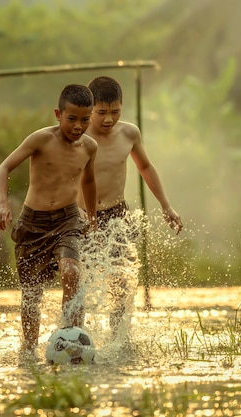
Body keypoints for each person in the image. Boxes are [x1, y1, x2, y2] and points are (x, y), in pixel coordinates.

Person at [0, 84, 98, 356]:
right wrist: (2, 202)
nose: (78, 126)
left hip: (68, 219)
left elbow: (88, 179)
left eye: (85, 119)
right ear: (57, 114)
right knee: (31, 296)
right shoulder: (40, 139)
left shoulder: (90, 147)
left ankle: (72, 339)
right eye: (71, 118)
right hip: (32, 223)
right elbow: (3, 168)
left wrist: (92, 215)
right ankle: (28, 352)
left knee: (71, 272)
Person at [79, 76, 183, 335]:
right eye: (101, 112)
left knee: (121, 280)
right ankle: (77, 333)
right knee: (79, 278)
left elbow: (145, 167)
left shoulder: (129, 133)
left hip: (116, 214)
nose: (108, 119)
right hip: (80, 215)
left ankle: (118, 336)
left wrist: (166, 206)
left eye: (115, 112)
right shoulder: (76, 136)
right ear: (90, 109)